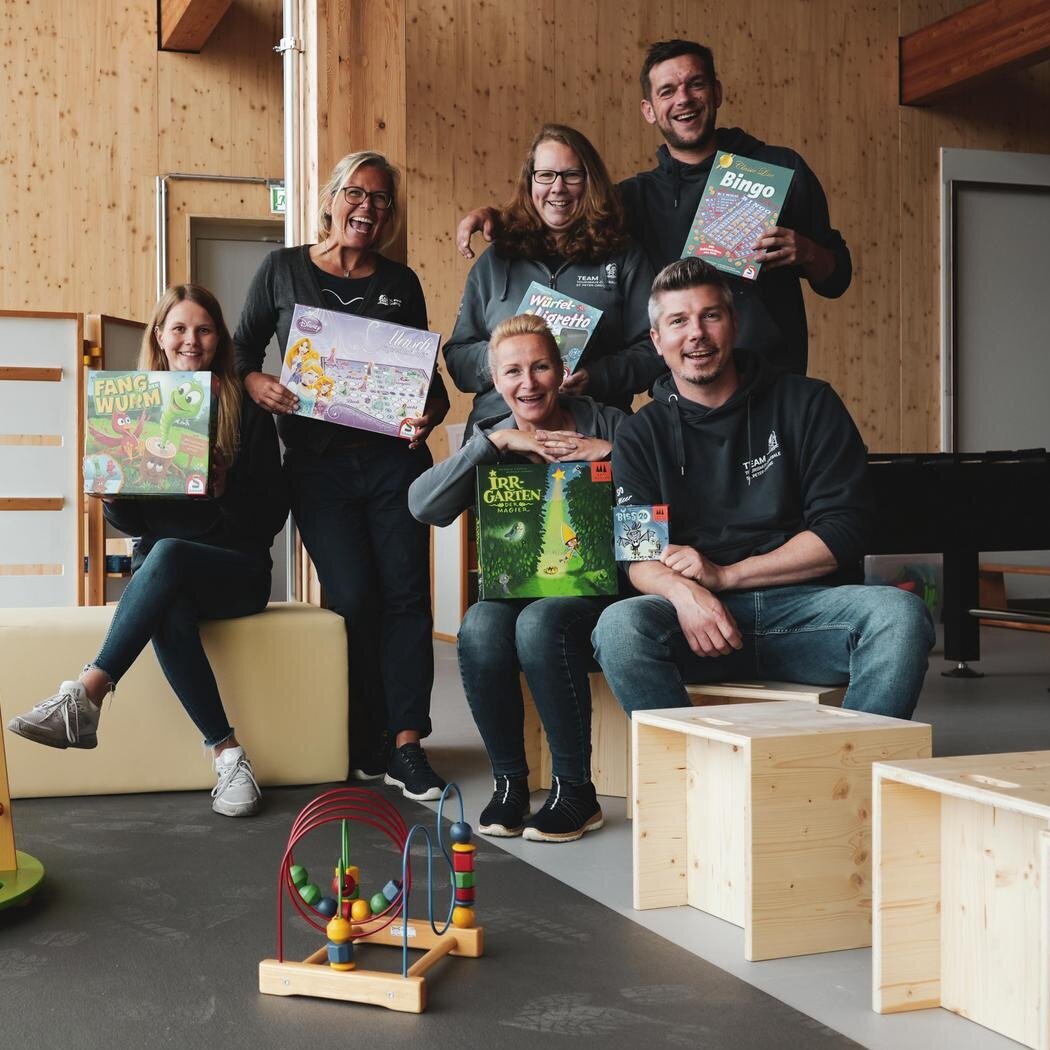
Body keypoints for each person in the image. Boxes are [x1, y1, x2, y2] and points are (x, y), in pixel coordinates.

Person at [591, 258, 933, 718]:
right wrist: (685, 593)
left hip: (809, 614)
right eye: (678, 321)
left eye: (711, 315)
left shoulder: (808, 403)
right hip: (697, 623)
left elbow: (844, 530)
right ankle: (692, 774)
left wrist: (726, 575)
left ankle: (855, 768)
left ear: (733, 323)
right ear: (657, 340)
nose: (696, 333)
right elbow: (639, 556)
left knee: (901, 616)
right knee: (619, 627)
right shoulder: (640, 434)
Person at [7, 284, 288, 817]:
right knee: (165, 588)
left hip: (236, 570)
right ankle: (228, 755)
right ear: (159, 337)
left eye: (203, 329)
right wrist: (113, 495)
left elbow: (272, 516)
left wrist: (226, 493)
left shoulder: (245, 409)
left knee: (169, 555)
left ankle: (86, 693)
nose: (191, 340)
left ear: (219, 338)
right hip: (164, 578)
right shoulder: (135, 408)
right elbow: (135, 524)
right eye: (178, 328)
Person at [233, 150, 451, 801]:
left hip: (394, 463)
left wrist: (427, 418)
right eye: (357, 193)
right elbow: (243, 349)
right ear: (331, 198)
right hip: (319, 469)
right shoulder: (281, 270)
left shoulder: (401, 282)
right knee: (355, 598)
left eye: (382, 200)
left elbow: (429, 386)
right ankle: (365, 735)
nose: (368, 208)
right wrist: (258, 383)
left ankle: (407, 743)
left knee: (407, 599)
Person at [457, 40, 851, 377]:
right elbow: (561, 213)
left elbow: (837, 278)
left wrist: (809, 253)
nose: (683, 99)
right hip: (681, 388)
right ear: (649, 110)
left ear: (716, 92)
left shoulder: (777, 168)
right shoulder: (633, 197)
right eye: (667, 91)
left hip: (772, 378)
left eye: (695, 84)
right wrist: (496, 217)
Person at [409, 314, 623, 841]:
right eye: (512, 372)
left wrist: (611, 453)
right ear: (495, 381)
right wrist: (493, 446)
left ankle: (576, 792)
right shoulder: (490, 435)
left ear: (561, 369)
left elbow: (670, 481)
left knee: (539, 622)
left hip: (597, 588)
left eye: (540, 367)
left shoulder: (610, 421)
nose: (527, 383)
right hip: (518, 587)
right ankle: (509, 785)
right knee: (480, 624)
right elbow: (423, 505)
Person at [444, 123, 663, 433]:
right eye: (545, 175)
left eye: (571, 175)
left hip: (593, 430)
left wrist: (598, 376)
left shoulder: (623, 257)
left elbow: (655, 347)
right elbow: (458, 356)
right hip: (501, 432)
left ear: (590, 183)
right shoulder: (497, 259)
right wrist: (504, 360)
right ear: (530, 183)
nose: (557, 188)